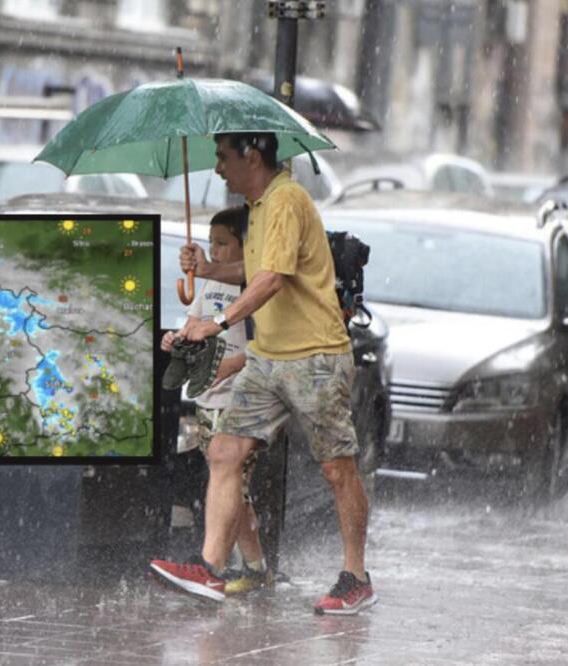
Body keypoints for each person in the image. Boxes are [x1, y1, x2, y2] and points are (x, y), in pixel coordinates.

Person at [150, 132, 376, 615]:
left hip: (314, 356)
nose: (217, 170)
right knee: (225, 450)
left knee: (338, 468)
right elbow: (255, 272)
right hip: (267, 357)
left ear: (251, 156)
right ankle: (211, 568)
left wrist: (219, 321)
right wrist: (209, 268)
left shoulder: (287, 200)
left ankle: (356, 576)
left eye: (222, 158)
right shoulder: (257, 208)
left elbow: (273, 279)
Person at [160, 206, 271, 595]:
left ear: (248, 246)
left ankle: (214, 568)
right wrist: (176, 337)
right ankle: (255, 567)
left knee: (231, 481)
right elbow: (195, 322)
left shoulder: (254, 287)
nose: (215, 252)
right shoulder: (207, 282)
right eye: (212, 244)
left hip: (240, 400)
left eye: (224, 244)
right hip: (208, 398)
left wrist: (231, 365)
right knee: (231, 487)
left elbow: (268, 348)